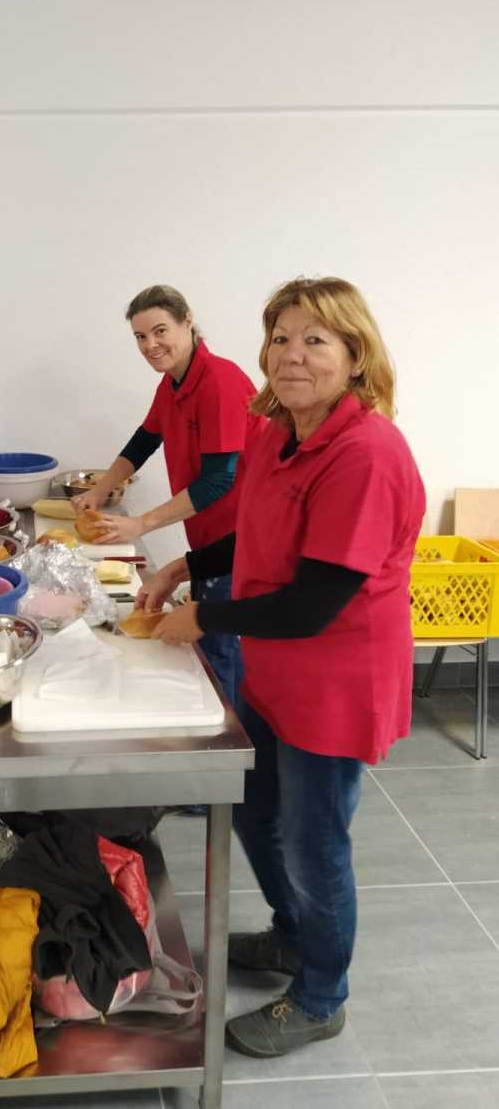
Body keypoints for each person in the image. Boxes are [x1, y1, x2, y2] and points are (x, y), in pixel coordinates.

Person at [140, 276, 425, 1058]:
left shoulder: (365, 454)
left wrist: (204, 617)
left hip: (335, 681)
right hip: (274, 672)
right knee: (258, 810)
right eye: (280, 338)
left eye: (315, 340)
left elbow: (313, 603)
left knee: (313, 840)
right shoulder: (277, 430)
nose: (292, 355)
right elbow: (260, 534)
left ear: (356, 355)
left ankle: (322, 995)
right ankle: (293, 934)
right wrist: (187, 567)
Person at [73, 284, 264, 708]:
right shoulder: (173, 382)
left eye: (160, 331)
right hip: (206, 537)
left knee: (220, 648)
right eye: (140, 337)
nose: (150, 346)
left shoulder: (220, 381)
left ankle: (229, 734)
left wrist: (141, 524)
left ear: (187, 321)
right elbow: (145, 439)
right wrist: (100, 489)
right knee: (215, 643)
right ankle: (227, 724)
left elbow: (219, 481)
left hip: (238, 542)